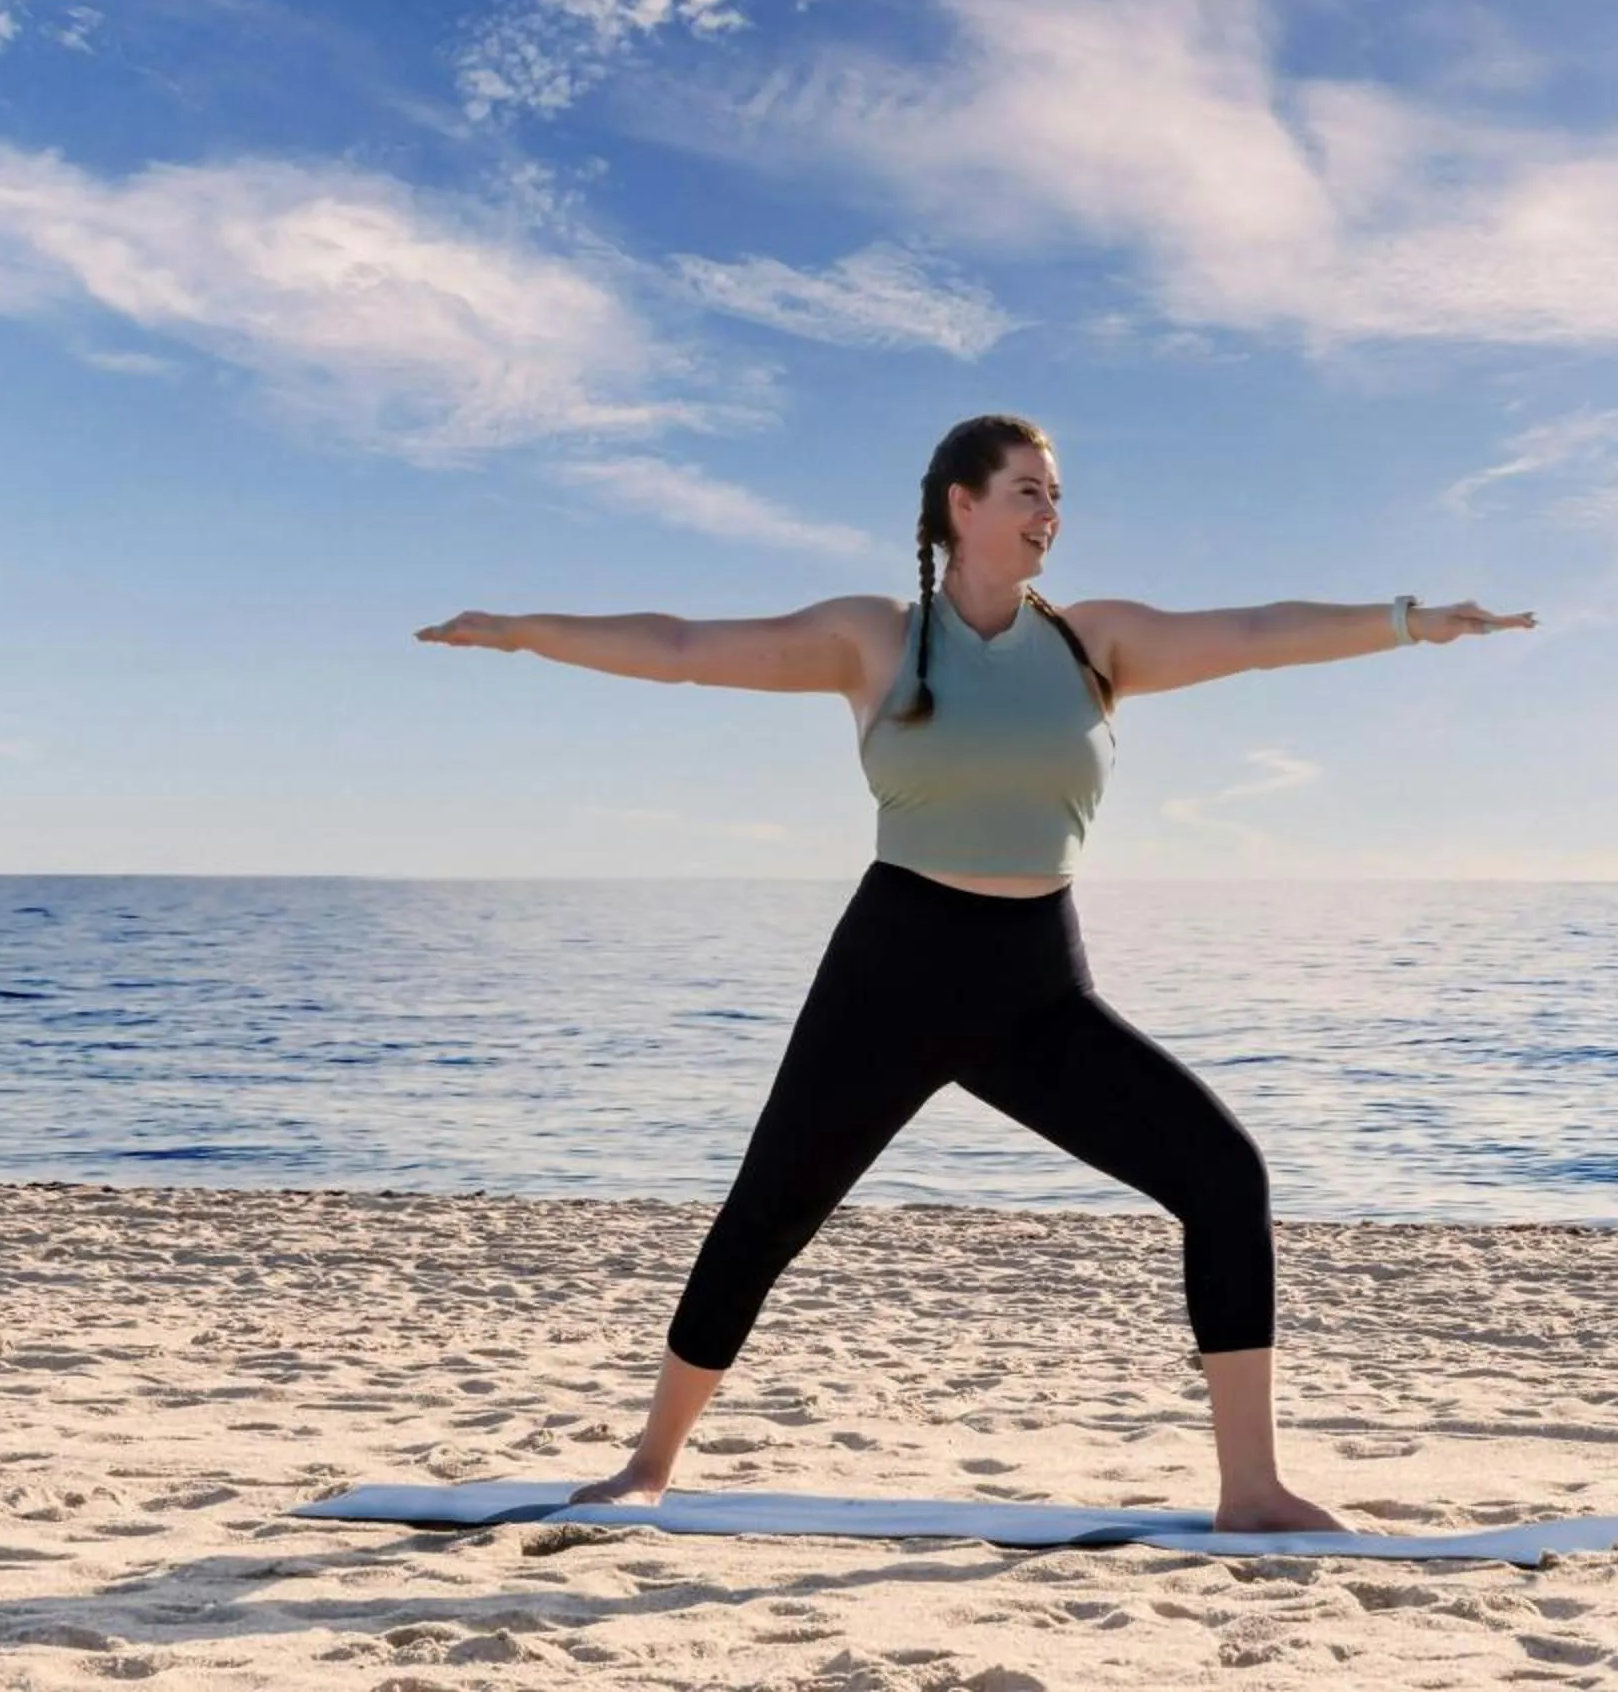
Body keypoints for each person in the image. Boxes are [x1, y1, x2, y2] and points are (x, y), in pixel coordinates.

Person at [416, 412, 1537, 1533]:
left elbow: (1253, 629)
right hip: (892, 969)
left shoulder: (1095, 642)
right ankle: (649, 1460)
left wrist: (1407, 621)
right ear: (962, 503)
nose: (1050, 514)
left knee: (1224, 1174)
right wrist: (526, 630)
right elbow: (680, 646)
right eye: (1028, 493)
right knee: (767, 1213)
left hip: (1035, 985)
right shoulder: (875, 637)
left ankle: (1251, 1486)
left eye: (1056, 497)